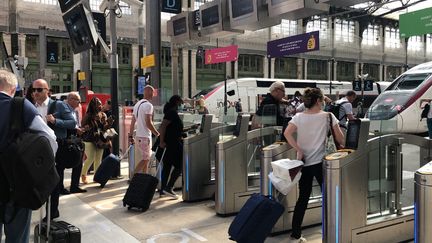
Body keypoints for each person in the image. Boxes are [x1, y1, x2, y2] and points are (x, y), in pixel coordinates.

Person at [0, 70, 57, 242]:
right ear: (13, 88)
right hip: (15, 185)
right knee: (17, 237)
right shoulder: (19, 106)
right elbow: (49, 139)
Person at [284, 88, 344, 243]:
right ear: (318, 101)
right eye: (323, 99)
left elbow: (287, 133)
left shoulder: (298, 117)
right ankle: (332, 232)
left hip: (304, 163)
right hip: (321, 164)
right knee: (330, 197)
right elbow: (341, 139)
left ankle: (295, 234)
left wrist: (299, 149)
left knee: (303, 198)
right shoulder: (328, 116)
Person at [32, 79, 76, 220]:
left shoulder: (59, 105)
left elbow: (72, 123)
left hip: (57, 149)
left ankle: (52, 211)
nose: (36, 93)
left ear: (47, 91)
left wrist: (55, 121)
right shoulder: (32, 107)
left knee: (54, 181)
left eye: (39, 90)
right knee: (42, 180)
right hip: (39, 149)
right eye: (34, 90)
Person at [129, 85, 160, 174]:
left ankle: (143, 177)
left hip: (138, 136)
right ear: (150, 92)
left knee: (145, 158)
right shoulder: (148, 105)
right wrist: (157, 133)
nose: (153, 95)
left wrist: (130, 136)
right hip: (145, 137)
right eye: (153, 92)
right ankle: (134, 175)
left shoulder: (137, 104)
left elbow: (132, 122)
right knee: (146, 159)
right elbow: (148, 122)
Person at [158, 95, 184, 199]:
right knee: (179, 166)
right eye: (180, 103)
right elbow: (163, 126)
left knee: (167, 167)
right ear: (176, 102)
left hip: (169, 143)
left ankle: (163, 190)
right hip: (173, 144)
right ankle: (169, 187)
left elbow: (171, 128)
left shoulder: (170, 112)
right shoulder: (172, 113)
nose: (180, 105)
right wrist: (161, 141)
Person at [80, 97, 111, 184]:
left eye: (101, 104)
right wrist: (88, 126)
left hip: (99, 139)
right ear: (93, 106)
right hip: (89, 139)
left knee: (98, 159)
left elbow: (104, 128)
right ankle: (83, 175)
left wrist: (108, 123)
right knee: (90, 158)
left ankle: (97, 177)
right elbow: (83, 126)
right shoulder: (88, 115)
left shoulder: (103, 115)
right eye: (98, 104)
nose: (100, 106)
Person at [65, 92, 87, 193]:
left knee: (78, 163)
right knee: (64, 164)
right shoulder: (65, 110)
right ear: (71, 100)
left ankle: (75, 185)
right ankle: (61, 187)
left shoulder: (75, 111)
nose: (79, 102)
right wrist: (75, 130)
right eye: (77, 100)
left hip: (77, 139)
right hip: (68, 140)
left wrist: (81, 129)